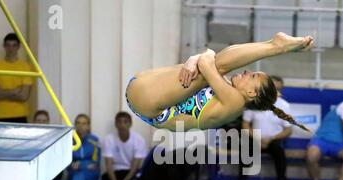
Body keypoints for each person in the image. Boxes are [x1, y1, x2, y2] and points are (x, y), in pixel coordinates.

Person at [125, 32, 313, 132]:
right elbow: (208, 59)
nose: (248, 72)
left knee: (217, 66)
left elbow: (208, 60)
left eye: (253, 77)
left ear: (251, 93)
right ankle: (274, 44)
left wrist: (197, 58)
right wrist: (195, 59)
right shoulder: (227, 91)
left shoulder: (235, 103)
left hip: (148, 103)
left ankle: (276, 46)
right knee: (214, 66)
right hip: (145, 95)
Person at [235, 75, 293, 180]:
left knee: (280, 153)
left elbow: (288, 130)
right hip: (254, 139)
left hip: (273, 140)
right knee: (245, 151)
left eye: (279, 89)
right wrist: (257, 138)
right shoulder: (253, 102)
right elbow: (245, 125)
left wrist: (271, 138)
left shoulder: (285, 106)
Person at [0, 33, 33, 123]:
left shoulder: (25, 67)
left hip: (20, 115)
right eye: (8, 45)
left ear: (18, 47)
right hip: (0, 115)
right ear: (4, 46)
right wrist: (14, 91)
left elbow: (24, 96)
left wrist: (1, 93)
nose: (11, 49)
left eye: (14, 45)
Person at [102, 112, 148, 180]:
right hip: (114, 173)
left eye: (125, 122)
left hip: (130, 173)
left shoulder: (139, 140)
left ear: (130, 124)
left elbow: (134, 168)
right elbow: (108, 166)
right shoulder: (108, 139)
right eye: (119, 122)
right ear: (116, 124)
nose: (122, 125)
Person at [67, 114, 101, 180]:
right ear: (75, 125)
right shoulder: (69, 141)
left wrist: (81, 164)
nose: (80, 126)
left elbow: (95, 163)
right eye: (78, 123)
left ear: (88, 126)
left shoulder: (94, 141)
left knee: (79, 177)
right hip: (73, 172)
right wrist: (71, 165)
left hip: (91, 173)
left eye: (84, 123)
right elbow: (67, 163)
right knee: (78, 177)